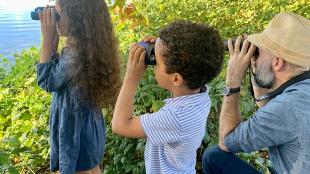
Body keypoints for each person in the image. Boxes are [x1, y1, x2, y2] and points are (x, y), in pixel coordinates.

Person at [202, 12, 310, 174]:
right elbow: (266, 105)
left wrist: (232, 79)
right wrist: (256, 67)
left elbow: (226, 142)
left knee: (213, 156)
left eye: (258, 53)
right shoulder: (301, 92)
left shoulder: (288, 106)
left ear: (277, 62)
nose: (254, 56)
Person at [112, 20, 224, 173]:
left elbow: (120, 125)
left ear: (176, 79)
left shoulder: (174, 118)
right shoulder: (201, 95)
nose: (154, 65)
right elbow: (177, 87)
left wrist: (131, 76)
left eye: (156, 62)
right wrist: (161, 47)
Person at [36, 0, 120, 173]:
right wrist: (54, 42)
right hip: (88, 132)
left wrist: (46, 41)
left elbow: (47, 81)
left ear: (76, 18)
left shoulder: (76, 54)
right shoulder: (89, 45)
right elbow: (61, 74)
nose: (55, 20)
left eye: (58, 15)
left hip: (75, 139)